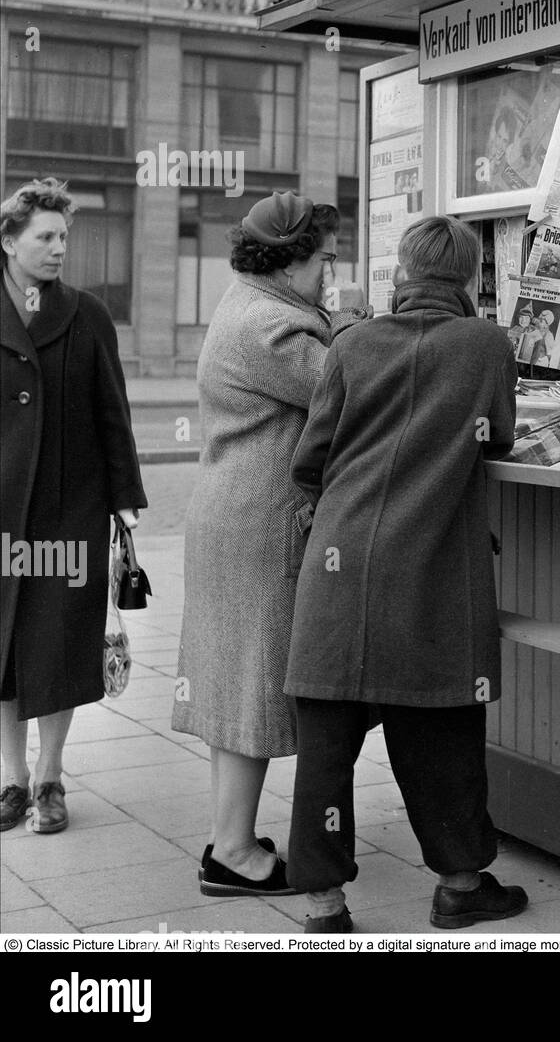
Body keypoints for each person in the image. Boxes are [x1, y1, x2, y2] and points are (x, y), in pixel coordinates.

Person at [284, 215, 525, 933]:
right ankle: (458, 884)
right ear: (471, 279)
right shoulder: (484, 345)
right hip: (432, 566)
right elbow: (501, 434)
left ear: (401, 271)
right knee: (441, 727)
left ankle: (323, 904)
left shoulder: (351, 344)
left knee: (326, 737)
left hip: (339, 561)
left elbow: (311, 456)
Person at [172, 191, 369, 897]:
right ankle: (234, 854)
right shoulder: (271, 330)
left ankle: (230, 840)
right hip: (259, 530)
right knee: (252, 689)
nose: (333, 271)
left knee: (234, 689)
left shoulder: (252, 303)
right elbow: (347, 392)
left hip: (233, 519)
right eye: (324, 259)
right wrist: (361, 329)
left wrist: (337, 320)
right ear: (287, 264)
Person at [1, 178, 147, 834]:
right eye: (46, 237)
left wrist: (124, 503)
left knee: (58, 644)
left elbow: (112, 415)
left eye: (65, 237)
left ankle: (50, 778)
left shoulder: (87, 316)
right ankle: (9, 781)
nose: (60, 249)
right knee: (2, 648)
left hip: (70, 512)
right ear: (9, 239)